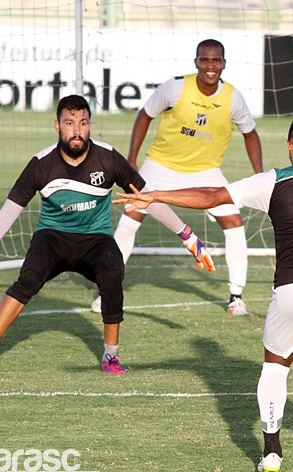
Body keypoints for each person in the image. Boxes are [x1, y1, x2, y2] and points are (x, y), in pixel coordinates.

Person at [114, 114, 293, 472]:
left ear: (290, 147)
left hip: (289, 290)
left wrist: (155, 195)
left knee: (275, 367)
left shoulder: (273, 180)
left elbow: (213, 197)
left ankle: (271, 452)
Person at [0, 95, 214, 375]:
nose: (76, 130)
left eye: (83, 123)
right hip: (53, 236)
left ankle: (110, 356)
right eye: (69, 123)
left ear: (90, 126)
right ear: (57, 126)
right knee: (29, 277)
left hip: (96, 238)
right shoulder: (40, 164)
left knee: (112, 271)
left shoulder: (108, 157)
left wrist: (188, 236)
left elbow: (147, 198)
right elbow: (6, 215)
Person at [92, 38, 263, 316]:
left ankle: (236, 297)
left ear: (224, 64)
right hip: (160, 166)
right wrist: (132, 160)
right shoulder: (174, 87)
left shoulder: (233, 98)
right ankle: (107, 294)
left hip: (206, 172)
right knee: (130, 219)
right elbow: (144, 115)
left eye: (216, 60)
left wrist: (259, 175)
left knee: (234, 223)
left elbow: (250, 134)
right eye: (205, 60)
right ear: (196, 62)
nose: (210, 66)